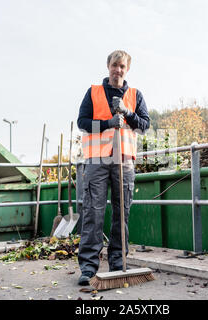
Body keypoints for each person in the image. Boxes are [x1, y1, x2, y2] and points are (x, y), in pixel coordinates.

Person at [76, 50, 150, 285]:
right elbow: (82, 123)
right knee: (93, 213)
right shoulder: (94, 92)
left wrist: (128, 114)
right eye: (115, 65)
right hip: (97, 161)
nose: (118, 70)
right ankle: (88, 267)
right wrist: (108, 123)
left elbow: (144, 126)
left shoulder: (136, 95)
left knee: (122, 213)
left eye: (122, 66)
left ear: (127, 70)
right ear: (108, 66)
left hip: (124, 162)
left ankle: (118, 262)